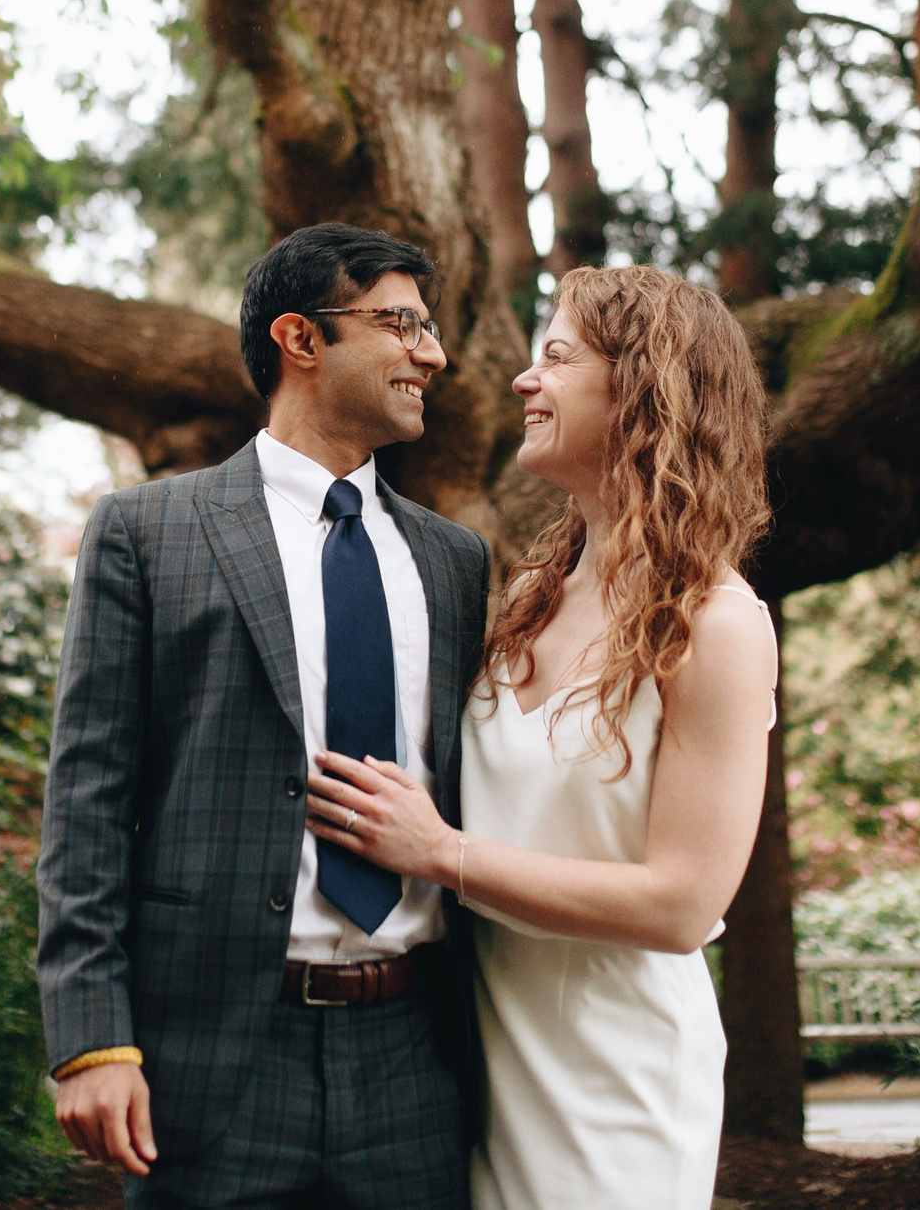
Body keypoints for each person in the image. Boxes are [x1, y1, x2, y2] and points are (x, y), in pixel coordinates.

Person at [37, 223, 492, 1210]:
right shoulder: (145, 532)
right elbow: (87, 801)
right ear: (301, 338)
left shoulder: (457, 563)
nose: (434, 354)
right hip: (212, 1058)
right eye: (402, 325)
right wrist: (89, 1038)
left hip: (418, 1054)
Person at [304, 264, 777, 1210]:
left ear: (645, 388)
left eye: (555, 357)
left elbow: (683, 904)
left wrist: (442, 852)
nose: (525, 379)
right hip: (469, 1070)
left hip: (615, 1088)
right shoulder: (526, 598)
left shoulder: (717, 624)